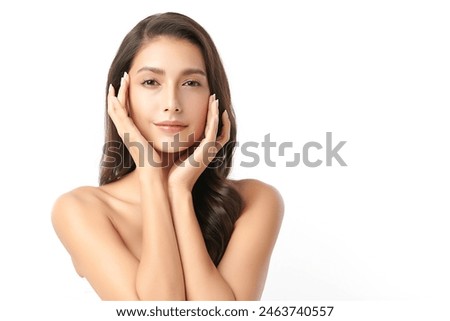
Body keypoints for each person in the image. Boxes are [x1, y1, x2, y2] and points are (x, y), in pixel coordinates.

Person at [51, 12, 283, 301]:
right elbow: (158, 312)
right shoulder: (80, 210)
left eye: (191, 83)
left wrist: (179, 191)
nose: (171, 104)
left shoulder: (255, 200)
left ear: (215, 97)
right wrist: (150, 173)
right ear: (121, 98)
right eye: (151, 82)